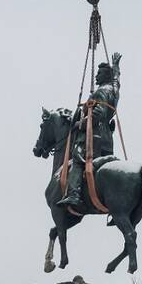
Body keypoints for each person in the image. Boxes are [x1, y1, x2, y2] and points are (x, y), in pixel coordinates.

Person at [57, 52, 122, 208]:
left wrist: (79, 124)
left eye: (99, 73)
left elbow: (98, 114)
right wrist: (116, 67)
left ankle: (74, 194)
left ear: (105, 76)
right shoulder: (113, 90)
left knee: (78, 161)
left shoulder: (100, 92)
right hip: (107, 137)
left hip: (95, 136)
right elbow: (117, 81)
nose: (96, 76)